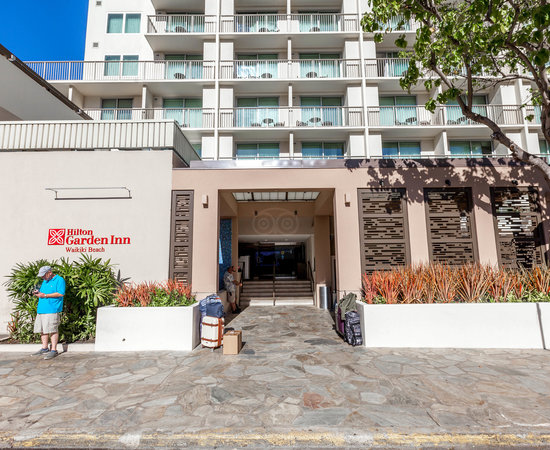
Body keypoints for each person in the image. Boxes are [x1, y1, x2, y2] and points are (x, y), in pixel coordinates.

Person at [31, 266, 66, 360]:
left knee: (52, 329)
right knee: (43, 329)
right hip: (41, 309)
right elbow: (43, 292)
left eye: (43, 275)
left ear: (49, 272)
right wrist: (38, 292)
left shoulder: (59, 280)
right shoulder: (45, 281)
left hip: (52, 309)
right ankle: (44, 348)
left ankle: (54, 350)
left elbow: (61, 293)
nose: (42, 277)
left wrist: (45, 295)